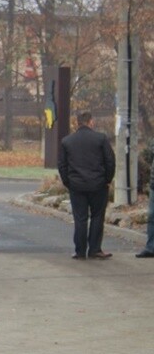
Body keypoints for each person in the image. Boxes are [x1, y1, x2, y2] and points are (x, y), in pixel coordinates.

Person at [58, 111, 115, 260]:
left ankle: (80, 251)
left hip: (76, 186)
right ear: (91, 122)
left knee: (80, 218)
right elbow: (110, 160)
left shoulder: (67, 141)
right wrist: (107, 179)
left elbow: (62, 165)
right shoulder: (101, 138)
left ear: (77, 123)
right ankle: (95, 249)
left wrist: (67, 182)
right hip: (98, 185)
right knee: (97, 216)